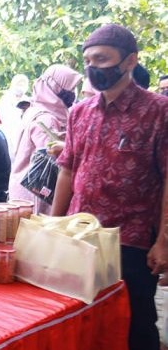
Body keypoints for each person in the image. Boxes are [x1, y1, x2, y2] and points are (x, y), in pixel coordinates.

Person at [51, 24, 168, 350]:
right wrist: (53, 223)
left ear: (130, 61)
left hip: (129, 241)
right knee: (79, 317)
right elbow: (67, 171)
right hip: (79, 236)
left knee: (135, 324)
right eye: (88, 60)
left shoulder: (158, 111)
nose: (93, 68)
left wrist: (163, 240)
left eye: (102, 59)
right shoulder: (79, 113)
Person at [8, 64, 82, 214]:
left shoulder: (35, 109)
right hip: (35, 199)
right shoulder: (47, 118)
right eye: (67, 89)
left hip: (24, 193)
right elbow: (56, 157)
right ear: (54, 87)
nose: (71, 94)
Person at [0, 73, 30, 151]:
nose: (21, 86)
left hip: (22, 134)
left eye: (23, 84)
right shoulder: (6, 99)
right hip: (6, 132)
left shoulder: (27, 100)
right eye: (19, 83)